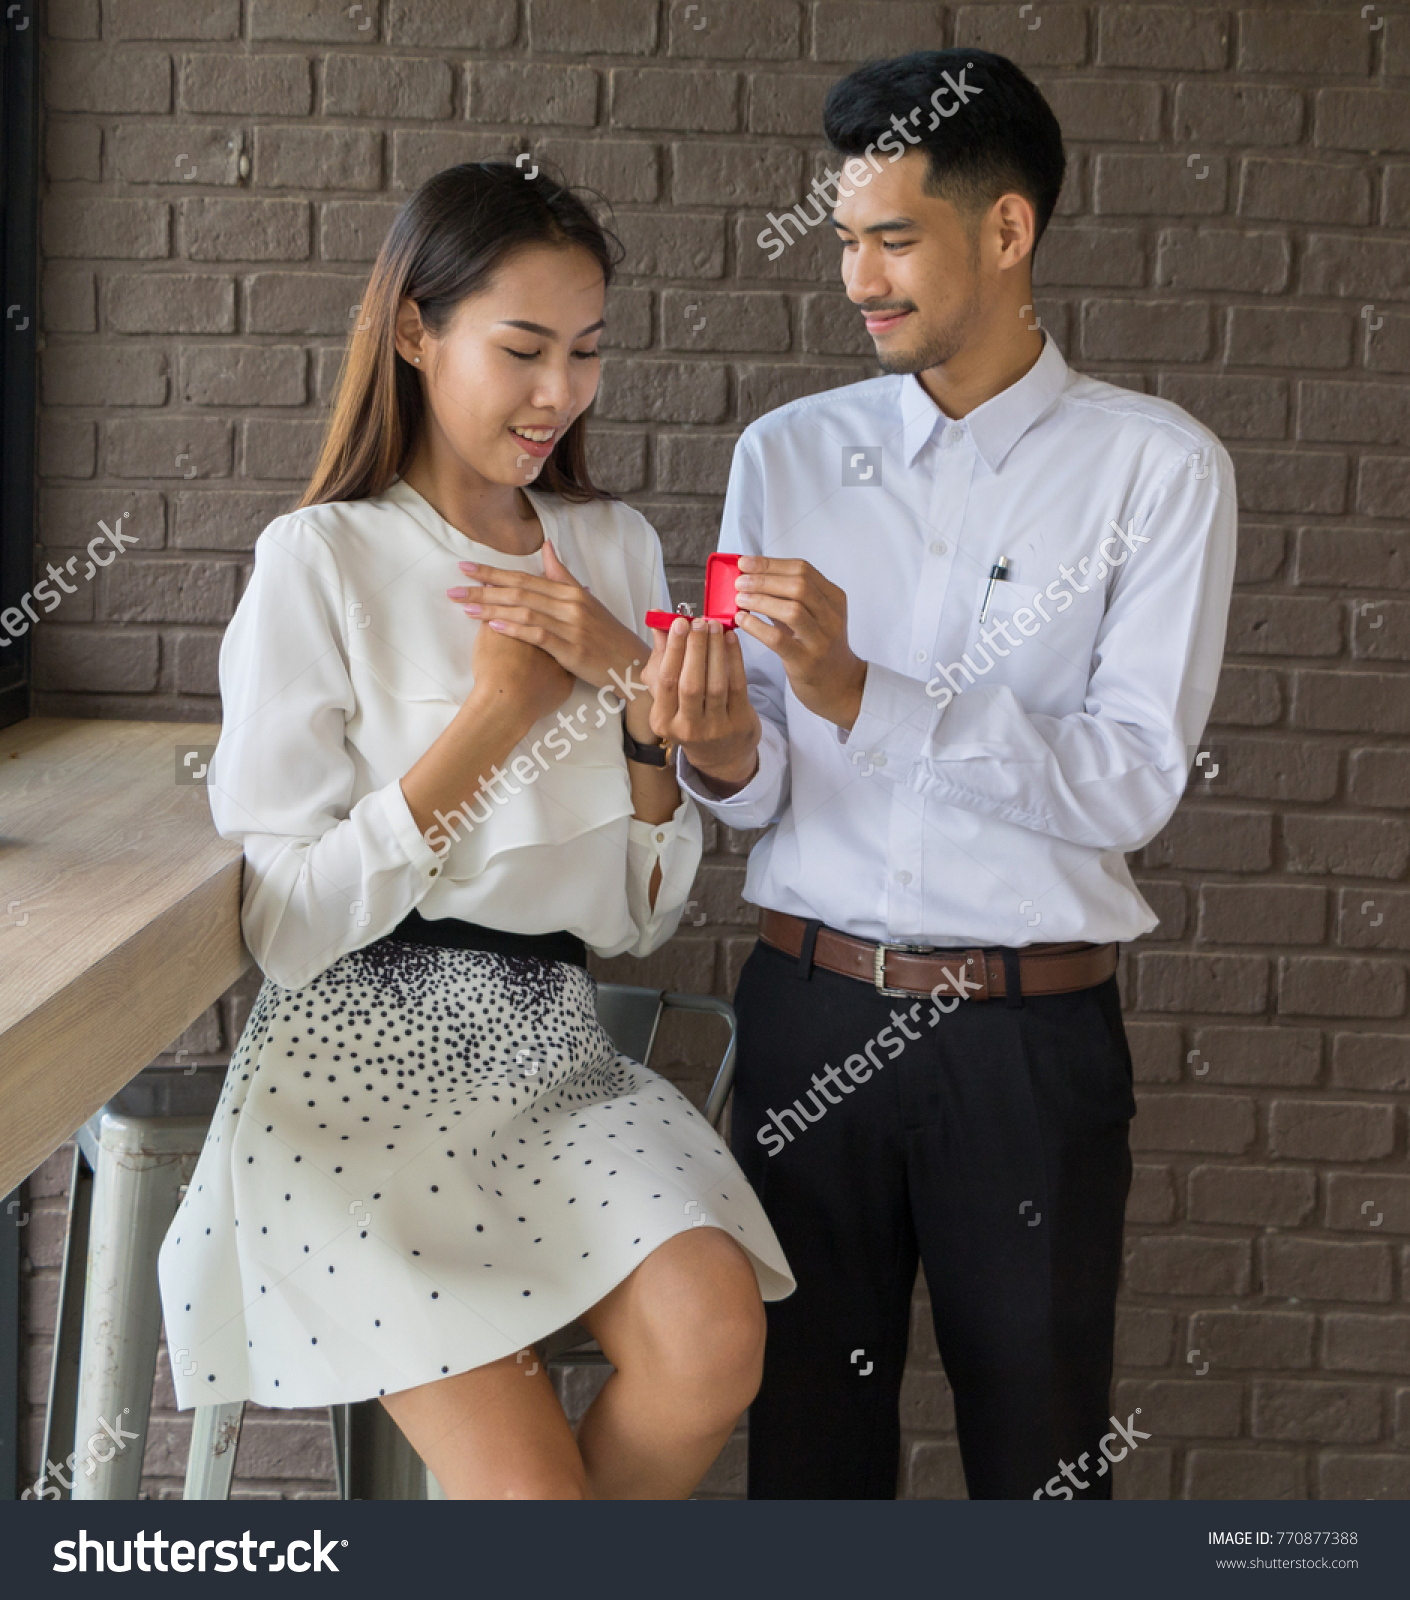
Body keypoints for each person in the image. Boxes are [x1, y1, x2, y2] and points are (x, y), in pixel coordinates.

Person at [156, 161, 794, 1502]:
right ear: (413, 333)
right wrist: (491, 722)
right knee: (528, 1506)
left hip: (550, 1049)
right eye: (521, 350)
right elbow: (282, 924)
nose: (558, 393)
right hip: (351, 1076)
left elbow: (629, 917)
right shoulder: (318, 560)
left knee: (711, 1337)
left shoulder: (610, 546)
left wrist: (644, 733)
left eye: (586, 352)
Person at [651, 50, 1237, 1499]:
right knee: (805, 1460)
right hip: (800, 1014)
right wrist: (717, 747)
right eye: (844, 238)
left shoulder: (1156, 474)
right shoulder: (782, 455)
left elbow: (1128, 783)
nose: (856, 277)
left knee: (1038, 1461)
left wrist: (868, 692)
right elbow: (761, 781)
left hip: (1023, 1050)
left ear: (1007, 230)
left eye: (892, 239)